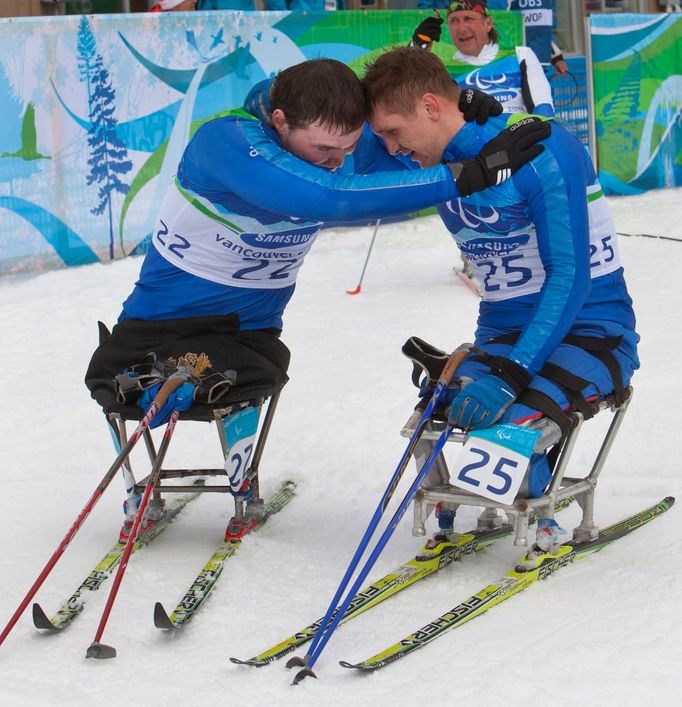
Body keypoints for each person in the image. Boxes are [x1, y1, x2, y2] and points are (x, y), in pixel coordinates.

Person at [84, 58, 550, 538]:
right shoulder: (224, 140)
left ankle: (241, 487)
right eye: (325, 148)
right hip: (159, 318)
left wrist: (462, 103)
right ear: (281, 122)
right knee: (116, 383)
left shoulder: (337, 137)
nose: (337, 159)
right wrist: (468, 175)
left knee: (223, 383)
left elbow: (413, 116)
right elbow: (329, 196)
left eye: (348, 148)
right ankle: (140, 486)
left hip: (248, 334)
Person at [361, 47, 639, 564]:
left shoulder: (538, 148)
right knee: (438, 409)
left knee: (513, 418)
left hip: (591, 327)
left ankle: (542, 518)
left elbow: (570, 277)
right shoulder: (430, 151)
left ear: (430, 106)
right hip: (505, 331)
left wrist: (511, 371)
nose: (392, 150)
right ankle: (465, 504)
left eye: (394, 133)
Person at [409, 1, 554, 117]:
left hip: (520, 144)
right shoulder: (440, 66)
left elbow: (543, 109)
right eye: (454, 21)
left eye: (468, 19)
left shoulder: (519, 56)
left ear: (488, 23)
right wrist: (415, 47)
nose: (461, 29)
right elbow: (405, 98)